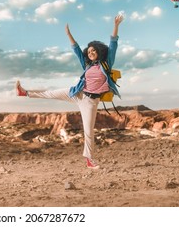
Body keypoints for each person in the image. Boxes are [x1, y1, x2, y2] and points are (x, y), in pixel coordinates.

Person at [16, 14, 123, 170]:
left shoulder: (106, 64)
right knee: (50, 93)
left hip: (90, 102)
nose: (90, 53)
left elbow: (113, 44)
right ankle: (24, 93)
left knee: (88, 131)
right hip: (77, 93)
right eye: (89, 51)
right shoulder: (87, 64)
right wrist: (68, 34)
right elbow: (77, 50)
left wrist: (116, 26)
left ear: (100, 52)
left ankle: (89, 160)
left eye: (94, 51)